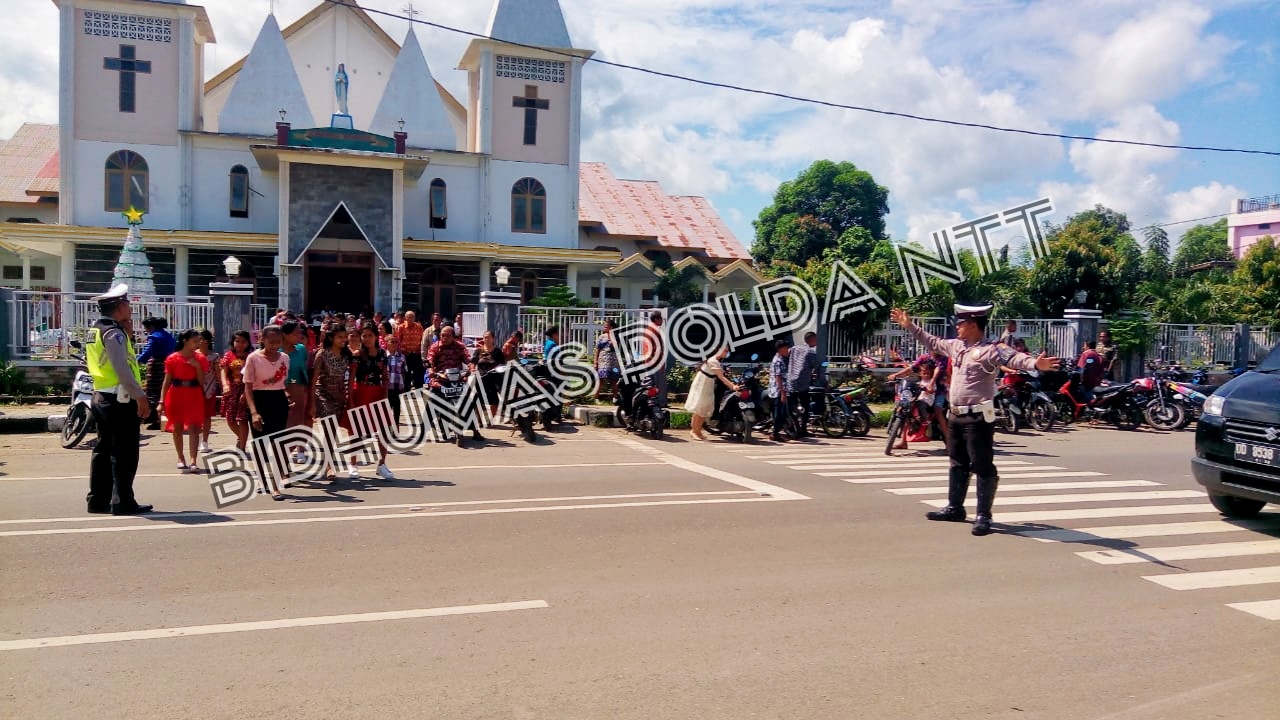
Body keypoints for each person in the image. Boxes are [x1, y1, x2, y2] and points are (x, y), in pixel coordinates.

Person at [889, 304, 1060, 536]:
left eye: (960, 324)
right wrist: (910, 326)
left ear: (972, 325)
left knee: (981, 464)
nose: (957, 327)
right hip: (956, 415)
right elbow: (932, 342)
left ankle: (983, 515)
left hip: (978, 416)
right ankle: (955, 508)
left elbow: (1016, 358)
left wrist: (1036, 365)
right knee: (957, 462)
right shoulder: (956, 346)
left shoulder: (992, 349)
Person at [84, 284, 152, 515]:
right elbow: (122, 369)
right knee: (124, 452)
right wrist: (140, 396)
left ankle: (97, 500)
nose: (130, 307)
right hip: (119, 399)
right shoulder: (113, 332)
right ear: (119, 307)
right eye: (127, 303)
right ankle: (122, 501)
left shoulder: (96, 329)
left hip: (101, 394)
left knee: (103, 450)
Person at [243, 325, 290, 501]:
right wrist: (254, 412)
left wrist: (285, 394)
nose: (274, 345)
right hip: (259, 400)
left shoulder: (285, 358)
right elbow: (248, 387)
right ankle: (263, 479)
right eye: (271, 341)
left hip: (278, 401)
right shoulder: (253, 358)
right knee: (260, 444)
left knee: (278, 443)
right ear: (262, 339)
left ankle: (276, 485)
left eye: (278, 342)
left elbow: (281, 383)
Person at [349, 324, 396, 480]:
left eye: (370, 335)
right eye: (364, 336)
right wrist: (350, 399)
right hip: (360, 392)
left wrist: (385, 395)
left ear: (376, 337)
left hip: (378, 393)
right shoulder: (357, 355)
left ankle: (382, 464)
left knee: (384, 430)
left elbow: (385, 376)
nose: (367, 339)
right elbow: (351, 378)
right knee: (357, 431)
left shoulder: (382, 354)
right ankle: (353, 464)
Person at [158, 328, 208, 472]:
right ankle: (180, 457)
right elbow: (166, 381)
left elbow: (201, 381)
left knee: (194, 428)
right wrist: (161, 401)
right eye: (195, 341)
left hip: (194, 393)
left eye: (199, 341)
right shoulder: (172, 358)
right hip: (176, 394)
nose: (198, 344)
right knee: (177, 427)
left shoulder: (200, 358)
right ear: (185, 341)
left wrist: (197, 367)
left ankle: (193, 460)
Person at [428, 325, 483, 442]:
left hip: (457, 380)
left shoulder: (459, 346)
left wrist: (471, 367)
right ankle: (425, 429)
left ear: (453, 336)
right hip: (440, 380)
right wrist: (431, 371)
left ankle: (475, 431)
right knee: (432, 400)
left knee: (470, 400)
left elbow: (468, 359)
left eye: (447, 335)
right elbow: (430, 361)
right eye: (442, 335)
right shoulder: (435, 347)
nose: (444, 338)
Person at [684, 347, 740, 441]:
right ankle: (693, 431)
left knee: (705, 408)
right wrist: (732, 386)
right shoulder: (713, 361)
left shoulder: (716, 361)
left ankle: (698, 431)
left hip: (708, 383)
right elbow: (721, 377)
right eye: (725, 350)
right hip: (702, 384)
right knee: (699, 407)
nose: (727, 352)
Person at [137, 316, 175, 430]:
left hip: (157, 366)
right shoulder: (169, 336)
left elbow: (147, 351)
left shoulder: (154, 337)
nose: (146, 330)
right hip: (169, 364)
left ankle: (156, 419)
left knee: (153, 392)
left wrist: (137, 361)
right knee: (165, 391)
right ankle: (163, 417)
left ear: (151, 326)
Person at [220, 331, 252, 451]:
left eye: (243, 341)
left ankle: (242, 447)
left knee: (242, 419)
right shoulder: (228, 355)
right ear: (233, 342)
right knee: (230, 419)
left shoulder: (251, 357)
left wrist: (247, 392)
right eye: (237, 341)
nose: (240, 344)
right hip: (231, 390)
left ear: (248, 343)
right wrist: (224, 385)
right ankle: (241, 437)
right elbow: (224, 371)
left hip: (245, 390)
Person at [787, 331, 820, 438]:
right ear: (811, 339)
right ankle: (803, 429)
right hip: (803, 384)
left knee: (793, 407)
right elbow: (816, 366)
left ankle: (792, 428)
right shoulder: (811, 352)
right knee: (805, 407)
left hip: (791, 382)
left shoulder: (794, 349)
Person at [282, 321, 312, 438]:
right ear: (285, 334)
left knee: (299, 418)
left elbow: (305, 368)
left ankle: (299, 450)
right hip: (280, 390)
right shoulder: (276, 351)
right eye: (296, 333)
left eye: (300, 333)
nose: (299, 336)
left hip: (299, 388)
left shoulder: (301, 349)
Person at [471, 330, 506, 413]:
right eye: (485, 337)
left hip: (494, 378)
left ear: (493, 339)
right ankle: (480, 419)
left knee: (493, 400)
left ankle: (490, 418)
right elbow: (473, 362)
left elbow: (502, 364)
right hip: (481, 378)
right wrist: (472, 369)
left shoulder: (497, 351)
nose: (486, 339)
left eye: (488, 337)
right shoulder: (478, 351)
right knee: (479, 399)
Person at [196, 329, 219, 453]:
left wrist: (223, 385)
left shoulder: (214, 356)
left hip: (210, 388)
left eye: (203, 339)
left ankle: (204, 440)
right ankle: (197, 438)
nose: (200, 341)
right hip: (195, 389)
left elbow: (217, 373)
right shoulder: (193, 355)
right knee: (196, 416)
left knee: (207, 416)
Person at [641, 310, 668, 408]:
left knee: (650, 383)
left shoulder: (647, 329)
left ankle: (650, 401)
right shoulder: (656, 330)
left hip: (648, 360)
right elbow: (657, 348)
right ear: (657, 319)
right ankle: (661, 403)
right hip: (655, 362)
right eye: (661, 319)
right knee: (660, 384)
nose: (662, 321)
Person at [394, 311, 426, 390]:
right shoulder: (401, 327)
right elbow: (397, 341)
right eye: (409, 317)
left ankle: (419, 390)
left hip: (416, 354)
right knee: (406, 374)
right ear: (405, 318)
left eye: (412, 317)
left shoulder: (419, 327)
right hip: (406, 355)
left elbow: (422, 339)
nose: (410, 319)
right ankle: (406, 391)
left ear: (414, 318)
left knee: (418, 373)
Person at [768, 340, 792, 442]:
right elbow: (778, 377)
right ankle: (775, 434)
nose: (787, 350)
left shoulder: (783, 357)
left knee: (783, 412)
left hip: (782, 389)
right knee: (779, 413)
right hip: (777, 390)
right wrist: (782, 393)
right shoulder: (777, 360)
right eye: (786, 348)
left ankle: (778, 431)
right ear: (780, 350)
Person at [594, 319, 620, 401]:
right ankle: (595, 397)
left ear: (611, 327)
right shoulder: (601, 337)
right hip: (603, 361)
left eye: (606, 325)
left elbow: (615, 345)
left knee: (614, 380)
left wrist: (611, 334)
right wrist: (596, 361)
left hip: (613, 362)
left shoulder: (616, 336)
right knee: (601, 379)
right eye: (604, 325)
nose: (604, 327)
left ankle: (615, 397)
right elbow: (597, 349)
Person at [384, 335, 407, 426]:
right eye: (391, 342)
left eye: (396, 342)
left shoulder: (401, 356)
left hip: (397, 385)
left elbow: (404, 371)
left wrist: (403, 384)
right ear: (387, 344)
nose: (394, 344)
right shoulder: (384, 356)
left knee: (397, 406)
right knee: (387, 406)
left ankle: (396, 424)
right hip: (387, 386)